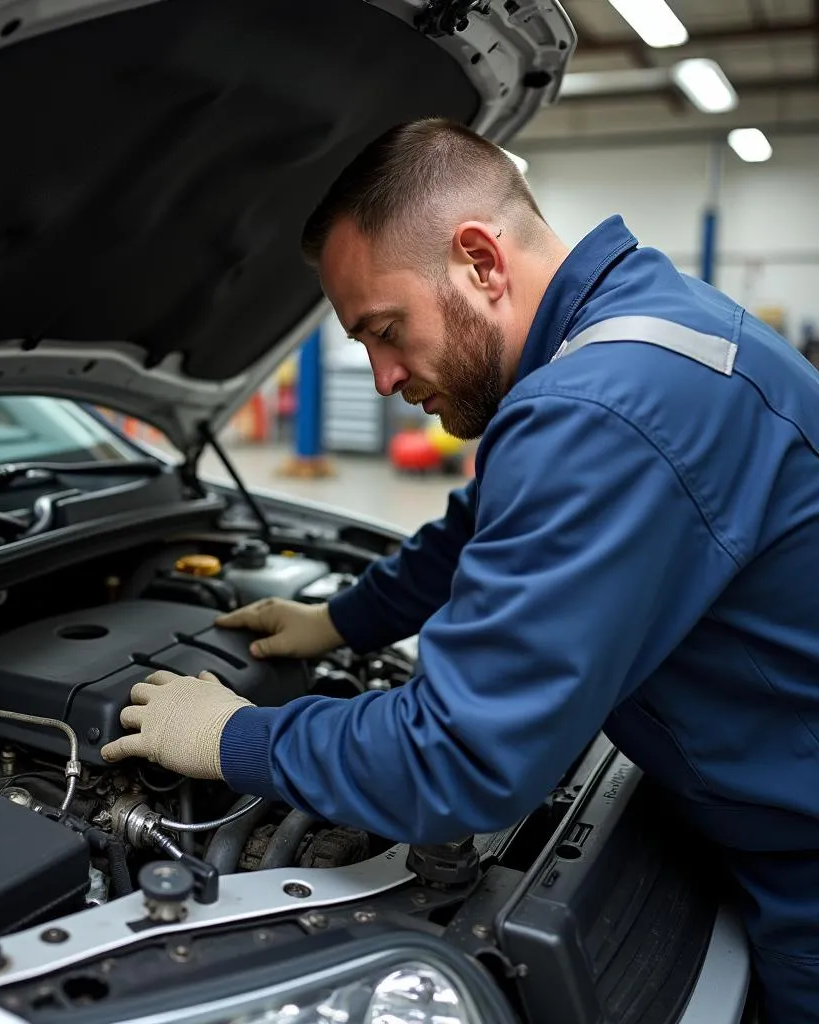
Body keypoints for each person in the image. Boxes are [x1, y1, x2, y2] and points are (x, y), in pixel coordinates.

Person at [101, 119, 819, 1022]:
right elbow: (481, 526)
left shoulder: (601, 411)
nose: (382, 377)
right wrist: (340, 622)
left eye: (385, 330)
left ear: (480, 260)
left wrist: (234, 737)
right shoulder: (634, 327)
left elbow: (461, 759)